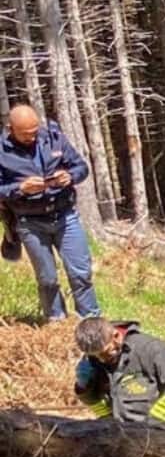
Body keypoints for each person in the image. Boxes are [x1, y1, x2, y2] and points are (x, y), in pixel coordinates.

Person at [0, 105, 98, 320]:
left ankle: (91, 321)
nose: (32, 138)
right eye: (26, 135)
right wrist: (20, 189)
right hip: (30, 222)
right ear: (11, 129)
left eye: (35, 132)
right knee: (47, 279)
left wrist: (70, 176)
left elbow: (81, 167)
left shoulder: (54, 138)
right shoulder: (1, 152)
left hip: (65, 215)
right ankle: (56, 322)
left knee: (81, 273)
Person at [73, 317, 165, 426]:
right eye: (96, 356)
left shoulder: (150, 349)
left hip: (157, 436)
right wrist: (85, 388)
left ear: (116, 336)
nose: (101, 360)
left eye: (105, 353)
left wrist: (152, 425)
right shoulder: (93, 359)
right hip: (118, 436)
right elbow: (99, 403)